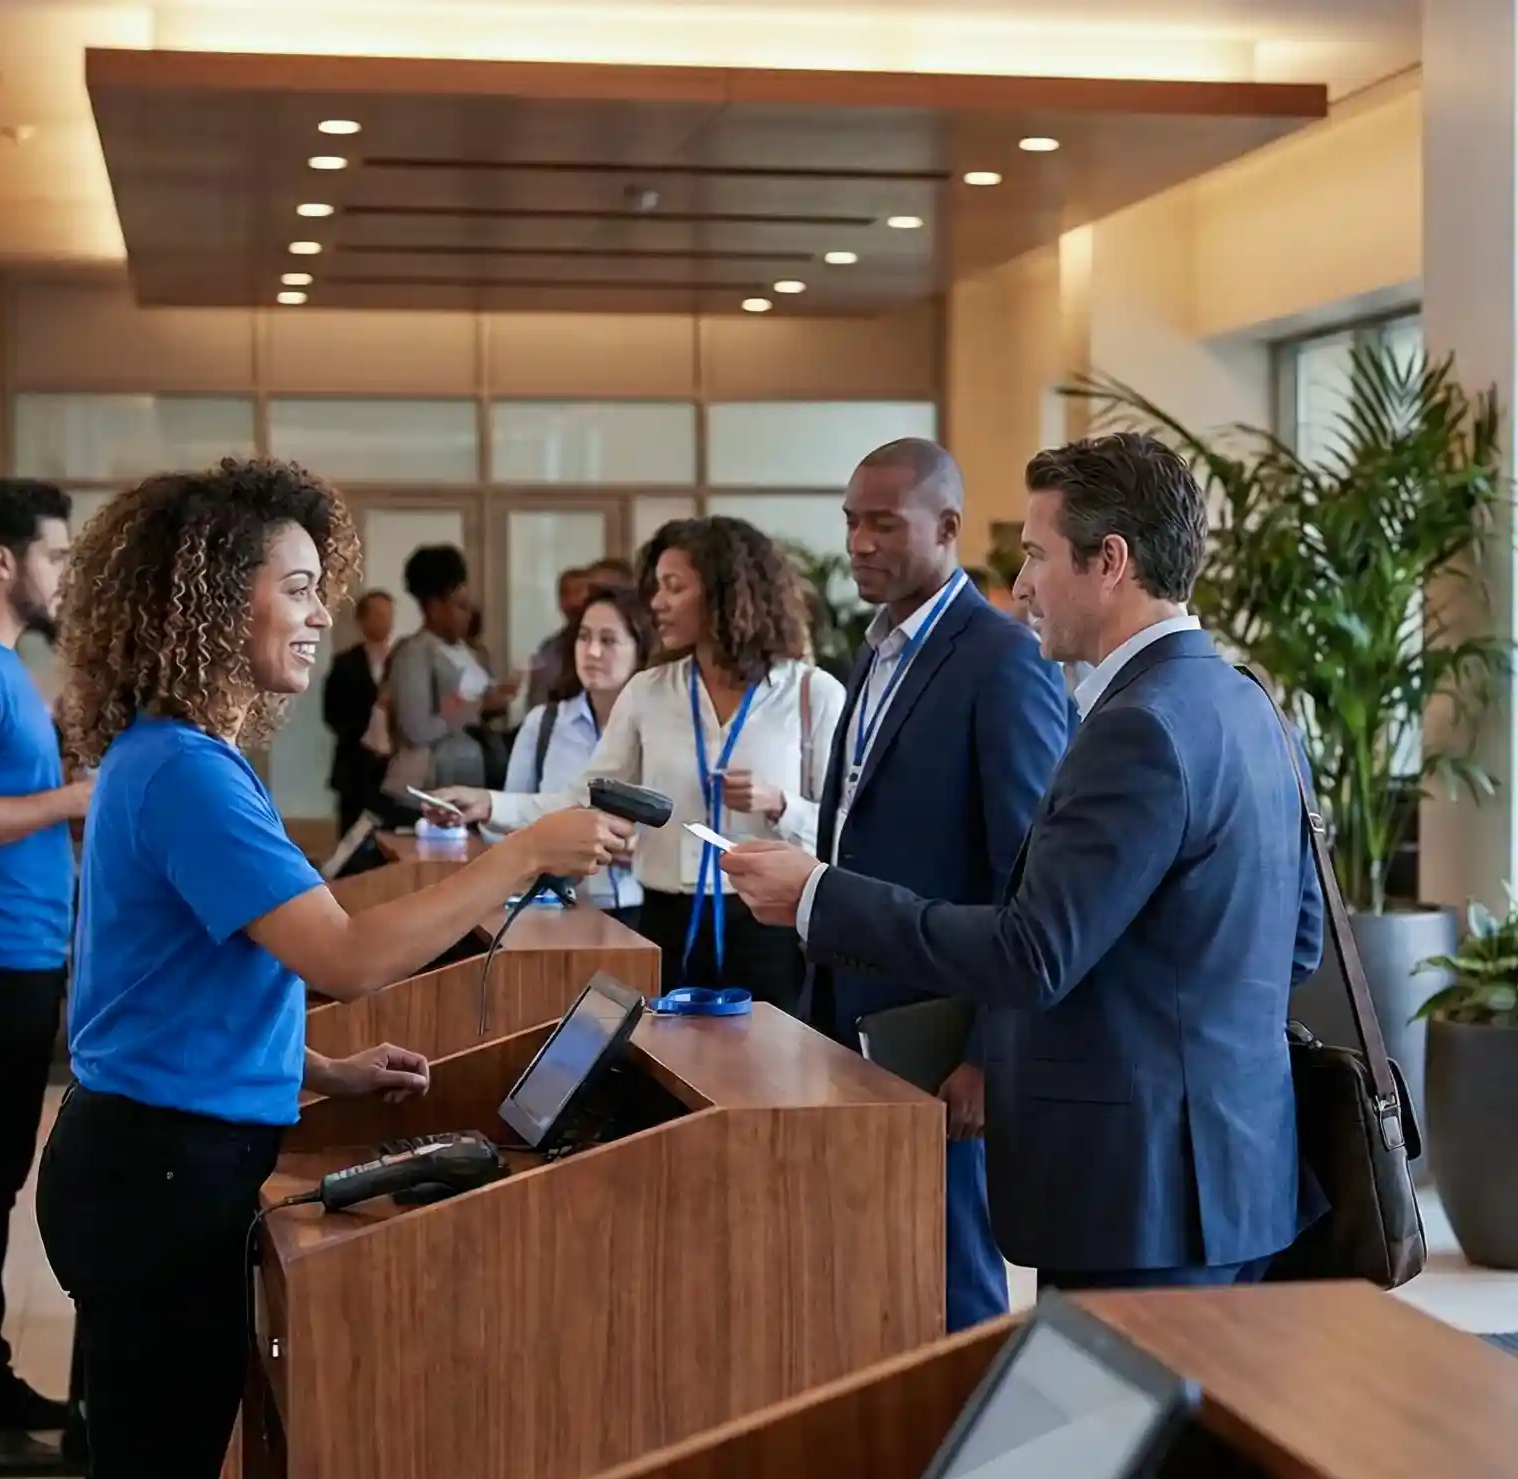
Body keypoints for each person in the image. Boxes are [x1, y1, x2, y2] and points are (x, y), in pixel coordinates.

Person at [34, 460, 633, 1479]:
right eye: (298, 587)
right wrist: (525, 851)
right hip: (159, 1171)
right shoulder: (185, 771)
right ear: (219, 599)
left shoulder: (184, 754)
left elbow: (177, 978)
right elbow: (345, 956)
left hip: (149, 1153)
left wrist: (316, 1068)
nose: (319, 615)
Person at [722, 432, 1325, 1293]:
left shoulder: (1137, 727)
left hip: (1142, 1193)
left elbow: (1032, 955)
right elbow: (1295, 945)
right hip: (1237, 1174)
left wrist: (821, 896)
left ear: (1109, 560)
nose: (1023, 584)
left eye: (1038, 554)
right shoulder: (1246, 700)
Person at [813, 440, 1070, 1332]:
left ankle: (968, 1451)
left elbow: (1029, 876)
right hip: (852, 1014)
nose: (858, 543)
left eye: (883, 523)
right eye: (850, 522)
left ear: (948, 527)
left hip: (939, 1031)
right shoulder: (878, 648)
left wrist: (989, 1053)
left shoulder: (1002, 661)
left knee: (952, 1270)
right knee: (879, 1263)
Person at [436, 517, 845, 1014]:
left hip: (771, 928)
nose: (656, 603)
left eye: (674, 587)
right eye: (657, 587)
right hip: (664, 922)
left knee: (768, 1083)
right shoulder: (649, 691)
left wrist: (783, 805)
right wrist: (487, 803)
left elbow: (845, 827)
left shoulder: (811, 694)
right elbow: (582, 800)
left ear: (726, 593)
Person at [0, 478, 86, 1477]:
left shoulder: (13, 669)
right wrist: (72, 798)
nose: (64, 573)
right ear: (3, 561)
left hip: (22, 957)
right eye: (53, 555)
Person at [499, 586, 654, 926]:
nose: (592, 651)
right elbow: (509, 826)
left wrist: (641, 851)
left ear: (640, 650)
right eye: (584, 638)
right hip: (552, 908)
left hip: (645, 909)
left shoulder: (662, 729)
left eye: (609, 640)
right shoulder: (545, 724)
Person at [384, 544, 496, 795]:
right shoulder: (414, 653)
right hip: (430, 782)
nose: (468, 616)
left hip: (469, 774)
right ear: (434, 607)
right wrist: (472, 708)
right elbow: (417, 729)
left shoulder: (468, 651)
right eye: (459, 606)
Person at [322, 587, 394, 835]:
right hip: (356, 767)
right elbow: (332, 714)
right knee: (352, 836)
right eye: (378, 614)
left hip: (394, 766)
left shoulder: (403, 659)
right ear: (362, 621)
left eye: (388, 614)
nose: (385, 621)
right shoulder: (345, 663)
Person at [525, 565, 599, 710]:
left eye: (578, 592)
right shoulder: (549, 649)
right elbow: (536, 702)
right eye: (565, 593)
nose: (572, 601)